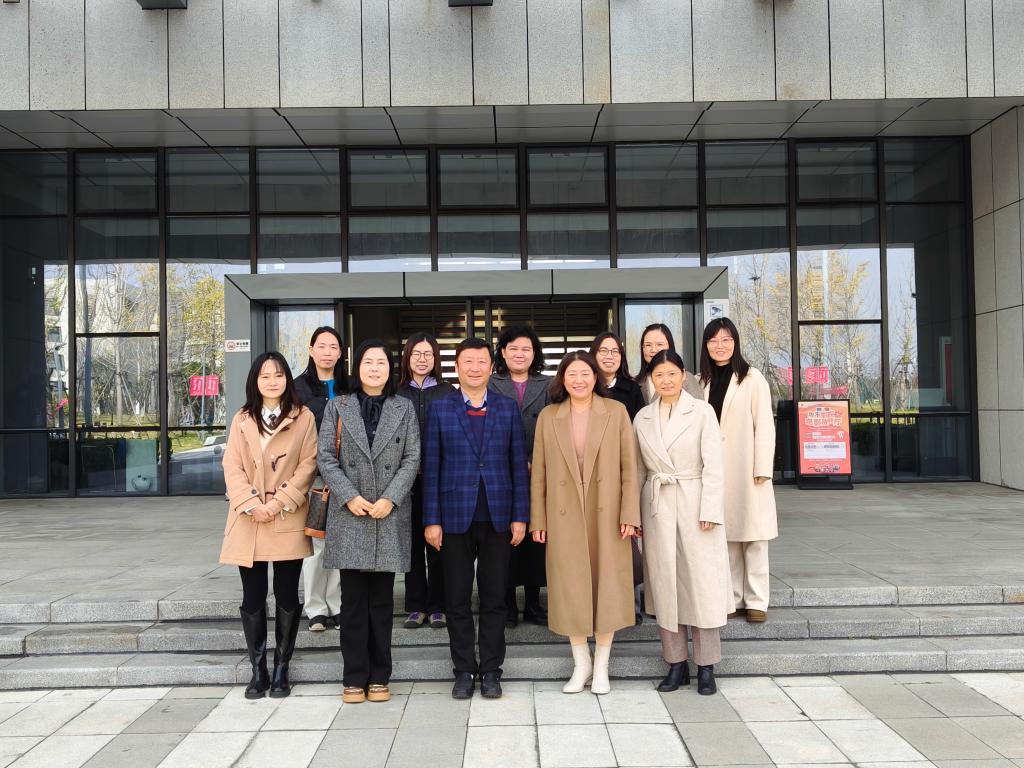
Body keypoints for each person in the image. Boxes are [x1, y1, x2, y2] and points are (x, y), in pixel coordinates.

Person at [422, 338, 530, 700]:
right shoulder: (440, 408)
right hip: (453, 518)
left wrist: (520, 516)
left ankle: (492, 671)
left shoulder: (506, 407)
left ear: (490, 366)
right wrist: (431, 519)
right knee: (456, 599)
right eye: (467, 361)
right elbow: (432, 467)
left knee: (495, 598)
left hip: (499, 516)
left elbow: (518, 466)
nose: (474, 368)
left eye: (481, 361)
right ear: (457, 367)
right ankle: (464, 670)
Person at [530, 351, 640, 695]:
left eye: (585, 374)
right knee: (569, 588)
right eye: (571, 374)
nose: (578, 380)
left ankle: (602, 665)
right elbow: (539, 473)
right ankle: (582, 664)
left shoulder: (616, 412)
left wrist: (630, 514)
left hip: (608, 514)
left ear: (596, 377)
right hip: (563, 515)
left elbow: (629, 468)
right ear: (562, 379)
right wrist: (538, 518)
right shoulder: (549, 416)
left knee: (608, 586)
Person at [318, 340, 420, 705]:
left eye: (381, 363)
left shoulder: (403, 407)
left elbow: (412, 458)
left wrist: (390, 498)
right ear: (357, 367)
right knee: (352, 604)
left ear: (390, 369)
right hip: (351, 514)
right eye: (368, 362)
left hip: (388, 514)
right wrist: (350, 496)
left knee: (381, 604)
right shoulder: (338, 405)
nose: (375, 368)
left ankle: (379, 676)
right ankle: (353, 677)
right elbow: (325, 457)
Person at [634, 350, 731, 696]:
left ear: (683, 376)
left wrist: (710, 510)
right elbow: (638, 470)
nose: (666, 381)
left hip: (695, 502)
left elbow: (714, 465)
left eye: (672, 374)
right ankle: (675, 663)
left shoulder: (702, 411)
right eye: (659, 375)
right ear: (651, 379)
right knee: (665, 586)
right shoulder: (642, 417)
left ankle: (706, 666)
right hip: (657, 507)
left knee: (701, 587)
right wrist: (634, 515)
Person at [220, 352, 317, 700]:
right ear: (255, 382)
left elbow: (308, 464)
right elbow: (232, 465)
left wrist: (278, 502)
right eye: (265, 376)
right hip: (249, 519)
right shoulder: (242, 418)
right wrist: (250, 503)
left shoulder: (303, 417)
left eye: (278, 375)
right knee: (253, 595)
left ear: (287, 379)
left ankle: (281, 669)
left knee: (287, 594)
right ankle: (258, 669)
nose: (272, 381)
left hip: (286, 514)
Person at [699, 317, 778, 623]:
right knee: (728, 537)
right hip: (716, 470)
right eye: (713, 340)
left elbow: (765, 426)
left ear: (736, 343)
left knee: (754, 536)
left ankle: (757, 600)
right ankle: (733, 597)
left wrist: (763, 467)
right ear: (706, 345)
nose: (720, 346)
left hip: (747, 468)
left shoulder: (752, 378)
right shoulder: (699, 381)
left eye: (726, 340)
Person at [488, 325, 550, 628]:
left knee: (536, 538)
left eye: (526, 349)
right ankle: (508, 603)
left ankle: (534, 603)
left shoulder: (549, 385)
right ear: (502, 352)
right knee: (506, 539)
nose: (519, 354)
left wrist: (537, 461)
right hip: (501, 473)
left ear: (534, 353)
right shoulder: (490, 383)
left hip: (539, 473)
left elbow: (555, 427)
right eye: (513, 348)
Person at [397, 332, 454, 630]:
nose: (422, 359)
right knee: (411, 544)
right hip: (405, 481)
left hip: (439, 479)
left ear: (436, 359)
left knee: (438, 542)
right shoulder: (396, 392)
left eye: (428, 354)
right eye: (416, 354)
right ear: (407, 357)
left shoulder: (447, 392)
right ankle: (415, 605)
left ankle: (438, 605)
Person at [294, 326, 346, 633]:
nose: (327, 352)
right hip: (315, 478)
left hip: (347, 478)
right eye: (322, 346)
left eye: (333, 347)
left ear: (340, 353)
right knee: (316, 543)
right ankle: (315, 608)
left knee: (339, 543)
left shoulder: (349, 386)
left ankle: (336, 605)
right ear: (311, 350)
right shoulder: (297, 388)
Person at [636, 323, 703, 402]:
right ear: (642, 348)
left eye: (659, 344)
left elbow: (699, 407)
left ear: (670, 346)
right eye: (648, 345)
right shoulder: (636, 383)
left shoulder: (686, 379)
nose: (653, 350)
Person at [590, 332, 645, 421]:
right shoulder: (587, 387)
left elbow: (640, 423)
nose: (609, 356)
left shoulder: (632, 389)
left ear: (621, 356)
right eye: (603, 351)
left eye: (615, 351)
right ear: (593, 354)